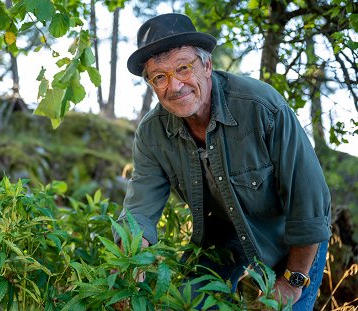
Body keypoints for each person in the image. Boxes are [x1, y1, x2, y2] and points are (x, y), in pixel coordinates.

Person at [114, 13, 331, 310]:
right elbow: (139, 211)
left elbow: (309, 207)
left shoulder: (262, 108)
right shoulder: (152, 134)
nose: (174, 85)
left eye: (183, 68)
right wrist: (128, 268)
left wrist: (290, 283)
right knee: (185, 303)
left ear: (207, 65)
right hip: (221, 244)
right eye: (160, 77)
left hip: (290, 242)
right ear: (151, 84)